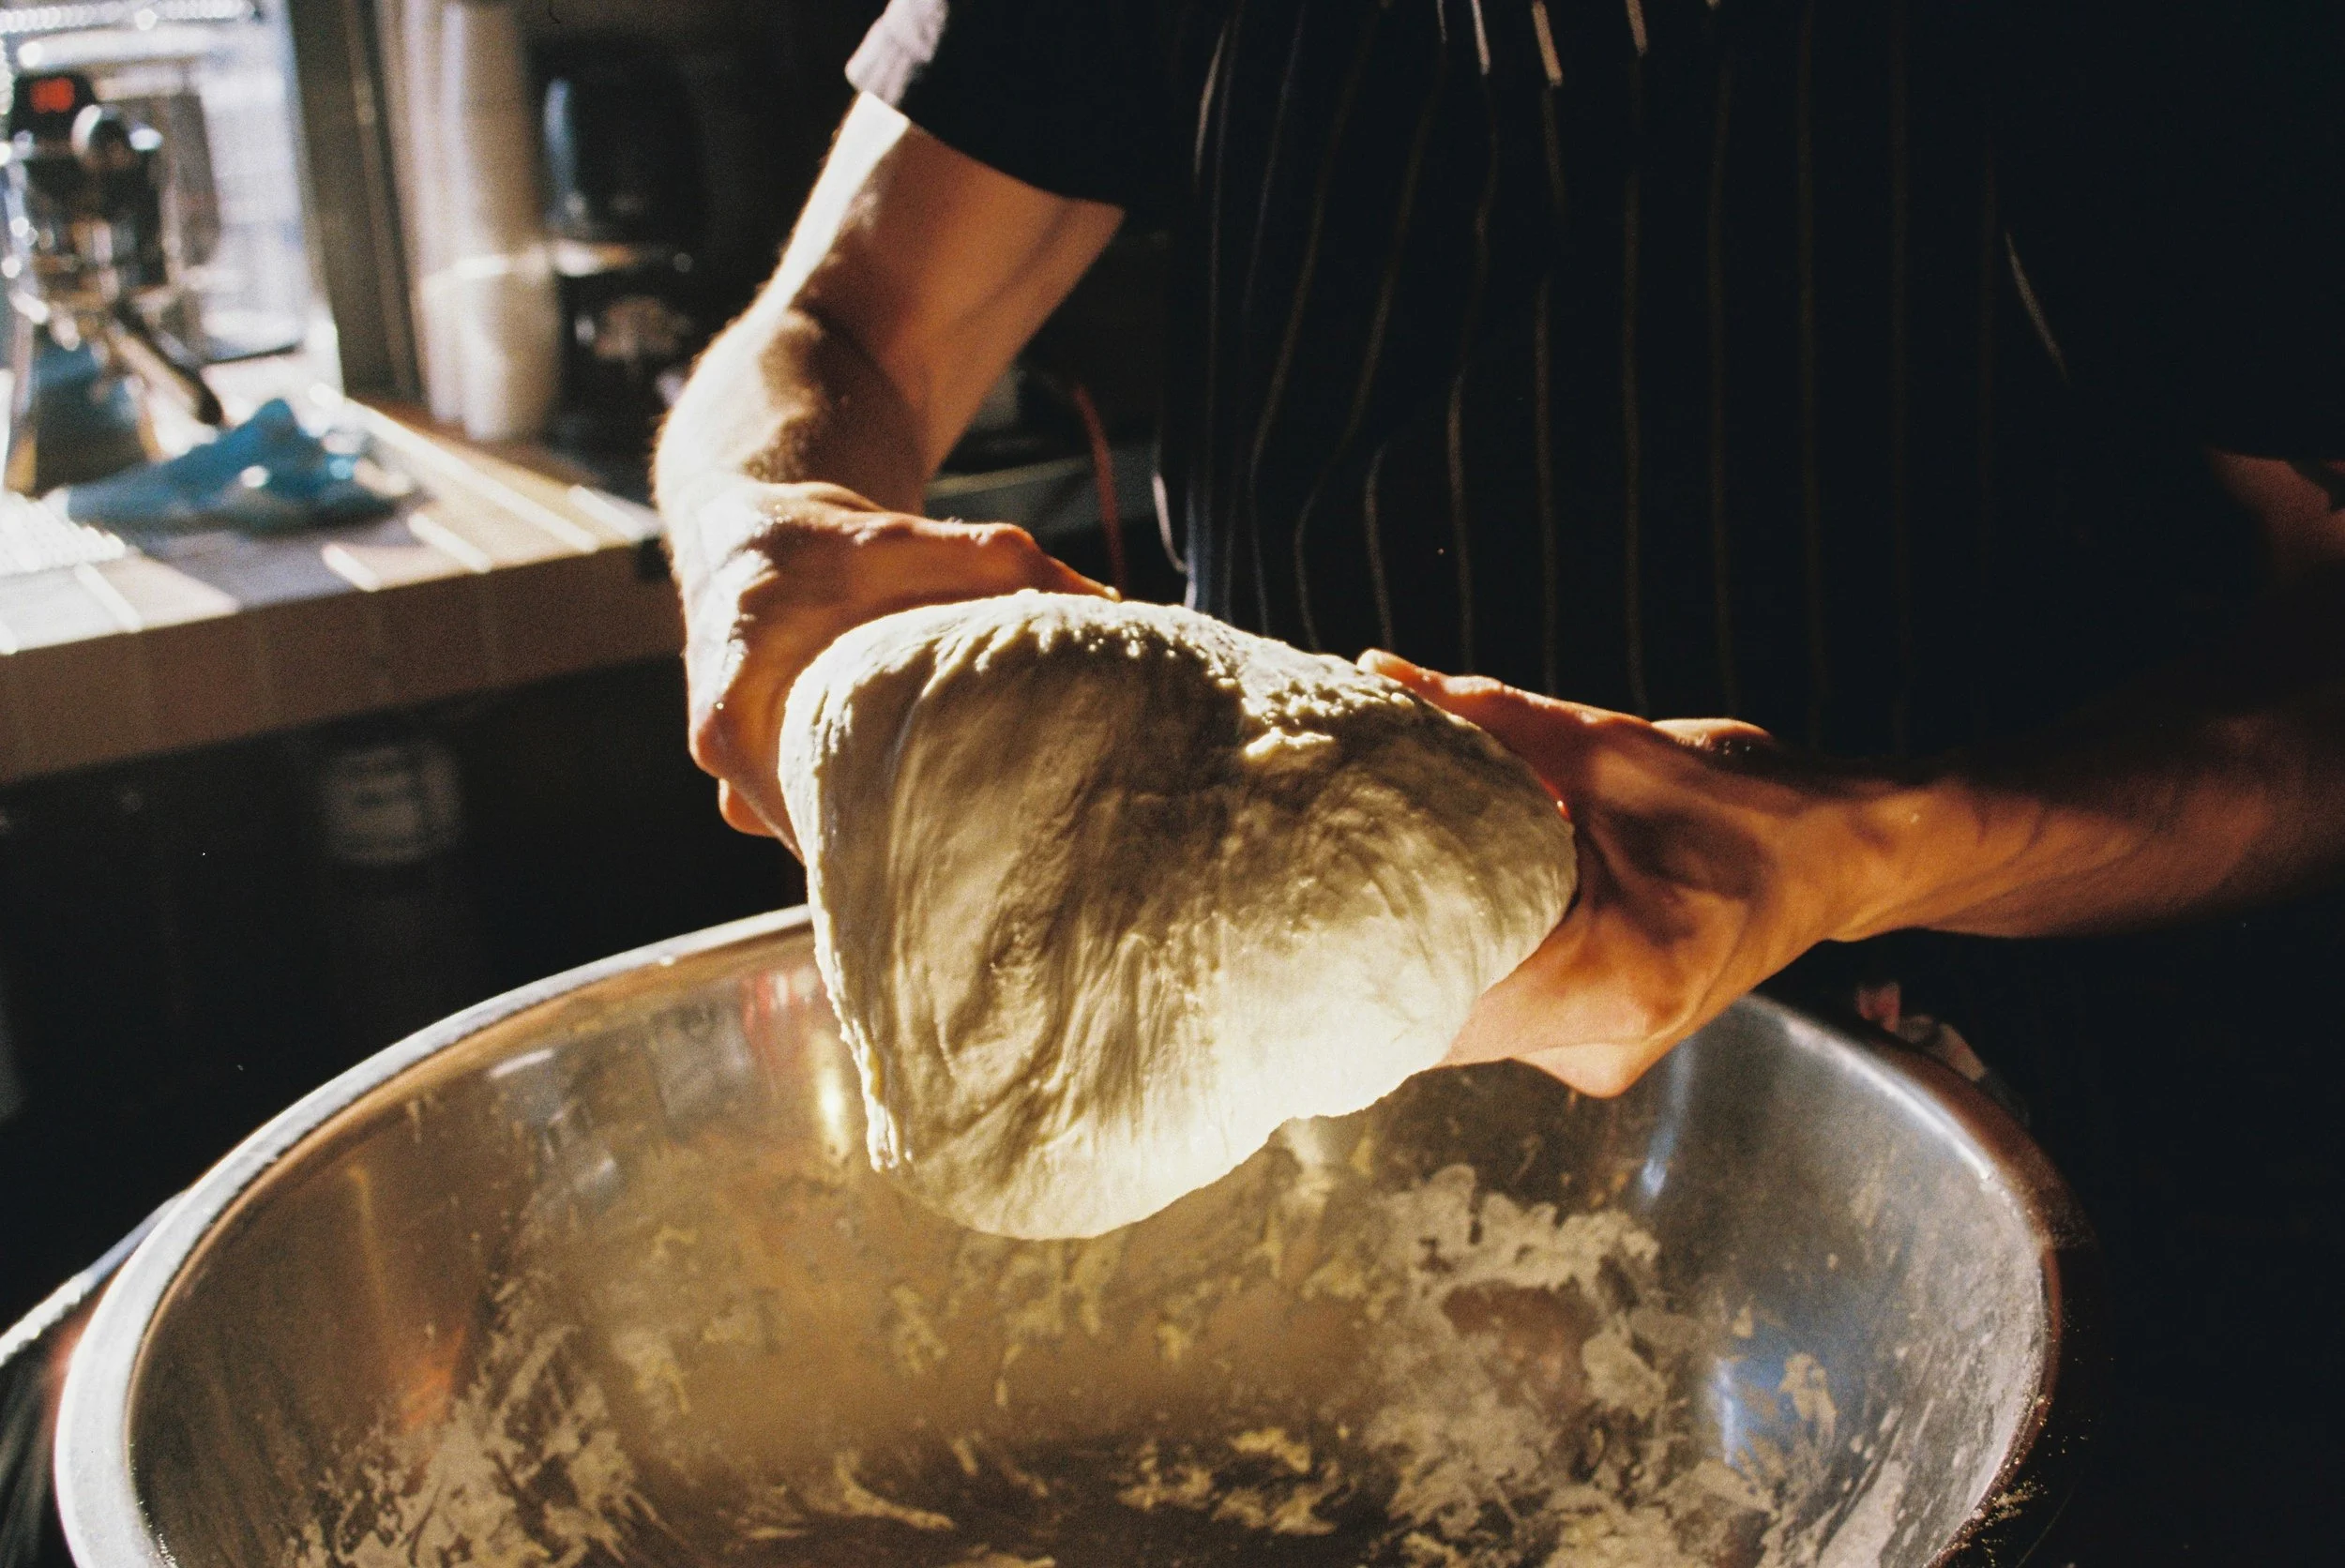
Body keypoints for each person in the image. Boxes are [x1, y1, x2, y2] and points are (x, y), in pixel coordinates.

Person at [656, 0, 2345, 1100]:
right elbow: (847, 329)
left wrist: (1861, 844)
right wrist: (765, 530)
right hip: (1304, 1073)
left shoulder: (2167, 50)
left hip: (2016, 1111)